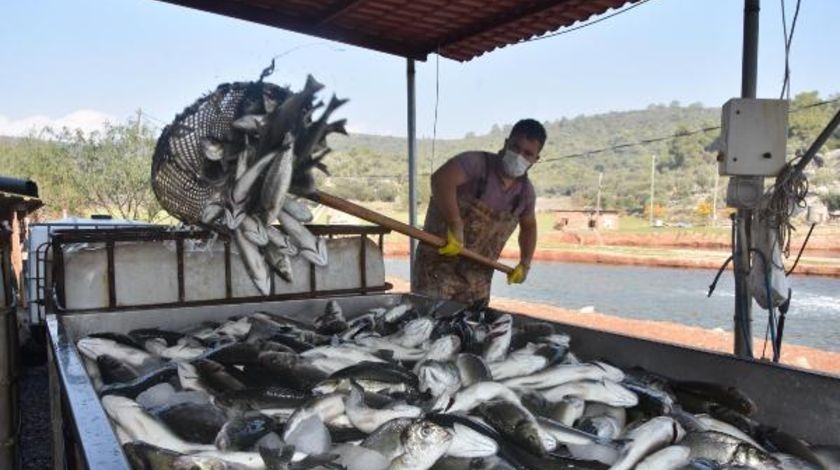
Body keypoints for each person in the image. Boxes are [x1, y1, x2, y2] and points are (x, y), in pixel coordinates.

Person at [411, 119, 545, 305]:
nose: (519, 156)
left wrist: (525, 263)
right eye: (515, 147)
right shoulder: (475, 164)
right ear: (506, 143)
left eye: (528, 153)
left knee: (471, 329)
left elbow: (529, 227)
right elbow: (440, 181)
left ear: (535, 160)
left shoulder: (525, 194)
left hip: (477, 282)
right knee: (428, 323)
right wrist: (455, 224)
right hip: (436, 271)